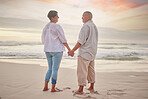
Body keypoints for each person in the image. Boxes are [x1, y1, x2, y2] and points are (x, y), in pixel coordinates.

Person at [68, 11, 98, 94]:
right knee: (91, 70)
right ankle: (92, 86)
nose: (82, 18)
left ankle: (80, 89)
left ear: (88, 17)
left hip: (85, 52)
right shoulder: (94, 26)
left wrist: (72, 50)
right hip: (92, 52)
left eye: (83, 17)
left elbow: (81, 41)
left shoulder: (86, 26)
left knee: (82, 71)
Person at [41, 10, 71, 92]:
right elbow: (63, 39)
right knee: (55, 69)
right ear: (52, 18)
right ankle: (53, 88)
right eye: (57, 16)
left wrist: (49, 44)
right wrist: (69, 49)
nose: (58, 18)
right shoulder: (57, 26)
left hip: (47, 50)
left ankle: (45, 87)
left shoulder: (46, 27)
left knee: (50, 68)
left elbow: (43, 40)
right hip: (56, 50)